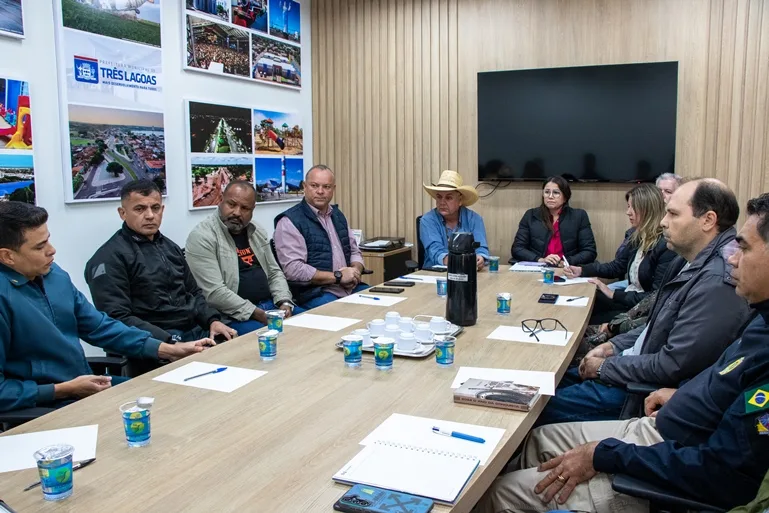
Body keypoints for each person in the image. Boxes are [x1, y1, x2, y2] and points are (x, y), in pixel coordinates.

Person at [473, 192, 769, 513]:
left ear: (707, 221)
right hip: (666, 426)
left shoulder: (718, 285)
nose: (734, 258)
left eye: (745, 247)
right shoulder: (760, 318)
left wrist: (606, 454)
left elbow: (721, 472)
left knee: (498, 494)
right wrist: (684, 394)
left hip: (660, 463)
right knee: (535, 442)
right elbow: (723, 377)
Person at [536, 178, 750, 426]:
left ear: (708, 220)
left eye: (672, 213)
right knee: (543, 380)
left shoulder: (716, 281)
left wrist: (606, 367)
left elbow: (673, 365)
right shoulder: (686, 259)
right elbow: (654, 325)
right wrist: (612, 347)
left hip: (636, 392)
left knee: (535, 407)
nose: (663, 221)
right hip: (629, 368)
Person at [0, 202, 214, 413]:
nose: (52, 250)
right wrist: (61, 390)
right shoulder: (5, 297)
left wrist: (167, 349)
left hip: (82, 387)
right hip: (43, 405)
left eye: (48, 240)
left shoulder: (54, 276)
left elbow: (99, 326)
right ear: (8, 256)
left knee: (177, 397)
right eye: (40, 246)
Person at [85, 181, 236, 346]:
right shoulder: (108, 257)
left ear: (162, 210)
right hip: (154, 342)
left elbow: (193, 292)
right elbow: (117, 317)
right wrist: (168, 342)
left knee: (243, 350)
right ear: (122, 213)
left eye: (155, 208)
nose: (150, 215)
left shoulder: (170, 247)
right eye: (140, 209)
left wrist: (212, 320)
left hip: (194, 330)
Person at [186, 181, 304, 332]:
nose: (237, 212)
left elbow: (274, 272)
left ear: (253, 209)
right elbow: (215, 293)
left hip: (271, 306)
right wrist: (259, 314)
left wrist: (285, 302)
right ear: (221, 200)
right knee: (277, 341)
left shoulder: (257, 231)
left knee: (312, 328)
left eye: (245, 208)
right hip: (234, 317)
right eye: (232, 204)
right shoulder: (202, 237)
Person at [565, 184, 675, 324]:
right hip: (627, 299)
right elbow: (617, 267)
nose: (628, 212)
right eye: (628, 206)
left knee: (583, 320)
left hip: (639, 311)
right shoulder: (636, 236)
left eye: (632, 207)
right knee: (579, 302)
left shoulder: (665, 246)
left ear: (647, 209)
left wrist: (613, 294)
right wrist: (582, 270)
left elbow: (654, 297)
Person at [274, 165, 368, 309]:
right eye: (314, 185)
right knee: (343, 313)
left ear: (333, 189)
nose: (320, 191)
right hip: (316, 293)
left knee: (382, 305)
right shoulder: (289, 221)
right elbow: (293, 269)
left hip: (350, 288)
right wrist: (338, 277)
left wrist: (355, 271)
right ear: (305, 187)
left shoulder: (338, 215)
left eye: (326, 186)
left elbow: (354, 251)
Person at [511, 176, 597, 266]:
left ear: (565, 197)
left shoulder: (579, 216)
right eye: (547, 192)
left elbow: (589, 251)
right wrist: (540, 260)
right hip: (539, 268)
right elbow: (517, 249)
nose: (550, 196)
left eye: (556, 193)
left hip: (568, 269)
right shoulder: (531, 215)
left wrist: (566, 262)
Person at [420, 170, 489, 270]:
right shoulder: (427, 220)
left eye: (448, 198)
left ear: (460, 200)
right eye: (439, 197)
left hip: (468, 272)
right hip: (435, 274)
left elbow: (481, 248)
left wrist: (480, 258)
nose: (442, 202)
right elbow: (435, 251)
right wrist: (457, 262)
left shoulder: (474, 219)